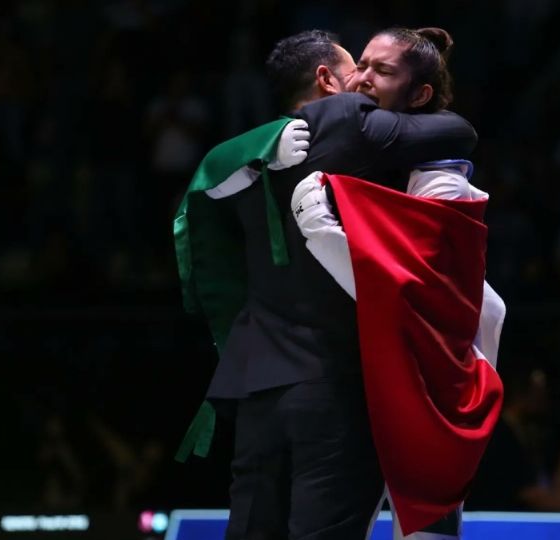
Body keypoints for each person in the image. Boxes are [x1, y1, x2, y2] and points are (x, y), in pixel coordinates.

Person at [174, 29, 480, 540]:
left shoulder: (247, 157)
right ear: (326, 79)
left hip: (257, 385)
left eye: (377, 70)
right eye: (356, 67)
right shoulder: (346, 120)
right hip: (335, 386)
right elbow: (459, 131)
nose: (361, 79)